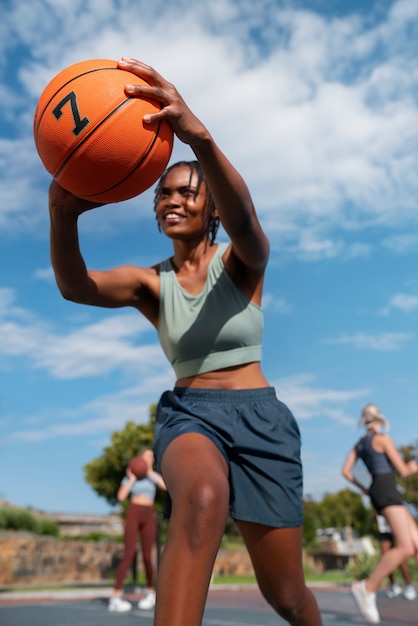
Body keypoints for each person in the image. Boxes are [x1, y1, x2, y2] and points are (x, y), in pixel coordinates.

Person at [48, 57, 323, 626]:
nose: (172, 200)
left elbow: (246, 217)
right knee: (199, 500)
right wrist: (62, 213)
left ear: (210, 208)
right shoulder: (151, 284)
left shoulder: (241, 264)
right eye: (163, 195)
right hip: (190, 414)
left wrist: (197, 134)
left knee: (288, 596)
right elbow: (75, 286)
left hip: (262, 420)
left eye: (187, 192)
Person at [342, 404, 418, 623]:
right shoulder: (383, 439)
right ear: (379, 418)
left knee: (415, 543)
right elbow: (403, 470)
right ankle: (366, 587)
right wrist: (413, 465)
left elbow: (345, 471)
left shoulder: (360, 444)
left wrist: (365, 488)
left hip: (380, 489)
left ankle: (369, 587)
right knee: (404, 547)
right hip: (387, 490)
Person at [108, 449, 166, 612]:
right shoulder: (130, 476)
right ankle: (116, 596)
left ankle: (149, 593)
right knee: (129, 553)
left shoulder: (153, 476)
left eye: (152, 457)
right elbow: (121, 496)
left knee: (148, 557)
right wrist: (132, 478)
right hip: (134, 511)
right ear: (140, 458)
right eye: (148, 456)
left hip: (149, 514)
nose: (151, 458)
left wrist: (149, 472)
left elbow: (165, 486)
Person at [375, 512, 416, 601]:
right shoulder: (377, 504)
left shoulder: (392, 501)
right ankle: (394, 585)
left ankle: (409, 586)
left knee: (401, 561)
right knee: (386, 560)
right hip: (384, 533)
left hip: (396, 531)